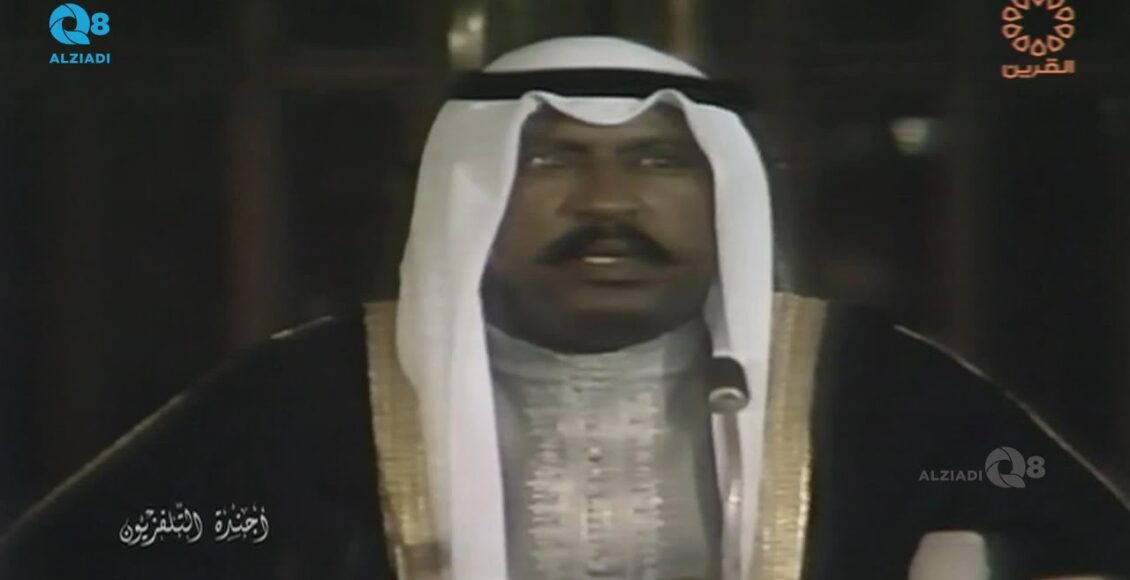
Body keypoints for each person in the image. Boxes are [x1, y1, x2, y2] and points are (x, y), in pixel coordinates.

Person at [2, 37, 1128, 580]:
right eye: (548, 159)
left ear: (722, 191)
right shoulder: (306, 393)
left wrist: (970, 557)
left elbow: (1079, 544)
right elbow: (105, 547)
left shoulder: (877, 386)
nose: (606, 204)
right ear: (471, 192)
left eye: (657, 161)